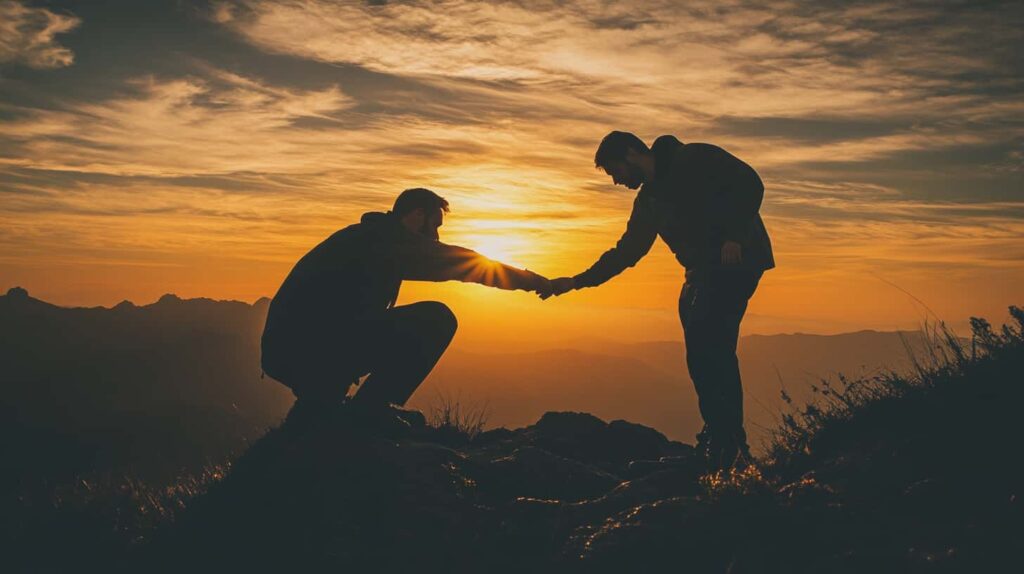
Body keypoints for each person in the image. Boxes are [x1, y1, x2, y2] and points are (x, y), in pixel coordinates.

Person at [540, 132, 774, 470]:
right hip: (700, 272)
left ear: (632, 154)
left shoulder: (693, 158)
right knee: (700, 351)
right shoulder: (650, 201)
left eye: (614, 171)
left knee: (712, 346)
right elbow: (628, 251)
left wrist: (735, 236)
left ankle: (729, 447)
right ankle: (720, 435)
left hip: (736, 262)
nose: (617, 181)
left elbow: (750, 183)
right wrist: (577, 281)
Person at [262, 188, 550, 421]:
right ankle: (367, 413)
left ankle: (321, 405)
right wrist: (534, 281)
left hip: (294, 348)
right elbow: (464, 264)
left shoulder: (367, 236)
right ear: (416, 215)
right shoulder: (386, 241)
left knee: (332, 388)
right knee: (436, 319)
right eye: (434, 225)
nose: (436, 237)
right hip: (308, 347)